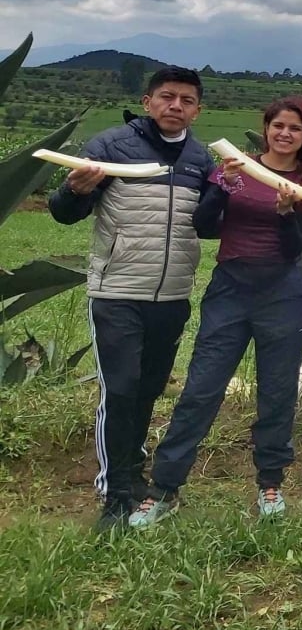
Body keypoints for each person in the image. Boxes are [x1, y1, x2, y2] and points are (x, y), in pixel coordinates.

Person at [130, 98, 302, 527]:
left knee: (277, 393)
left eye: (295, 128)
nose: (285, 133)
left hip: (282, 293)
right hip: (231, 289)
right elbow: (203, 226)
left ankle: (270, 483)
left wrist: (286, 215)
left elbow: (295, 249)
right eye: (278, 125)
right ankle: (164, 488)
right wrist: (220, 187)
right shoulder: (233, 169)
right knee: (201, 387)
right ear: (266, 128)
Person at [47, 67, 216, 532]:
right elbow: (64, 213)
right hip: (117, 290)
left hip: (173, 293)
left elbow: (211, 223)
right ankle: (116, 493)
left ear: (197, 110)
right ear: (147, 102)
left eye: (186, 100)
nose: (175, 106)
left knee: (147, 389)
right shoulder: (110, 148)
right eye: (166, 97)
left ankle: (132, 474)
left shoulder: (201, 160)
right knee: (119, 390)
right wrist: (73, 189)